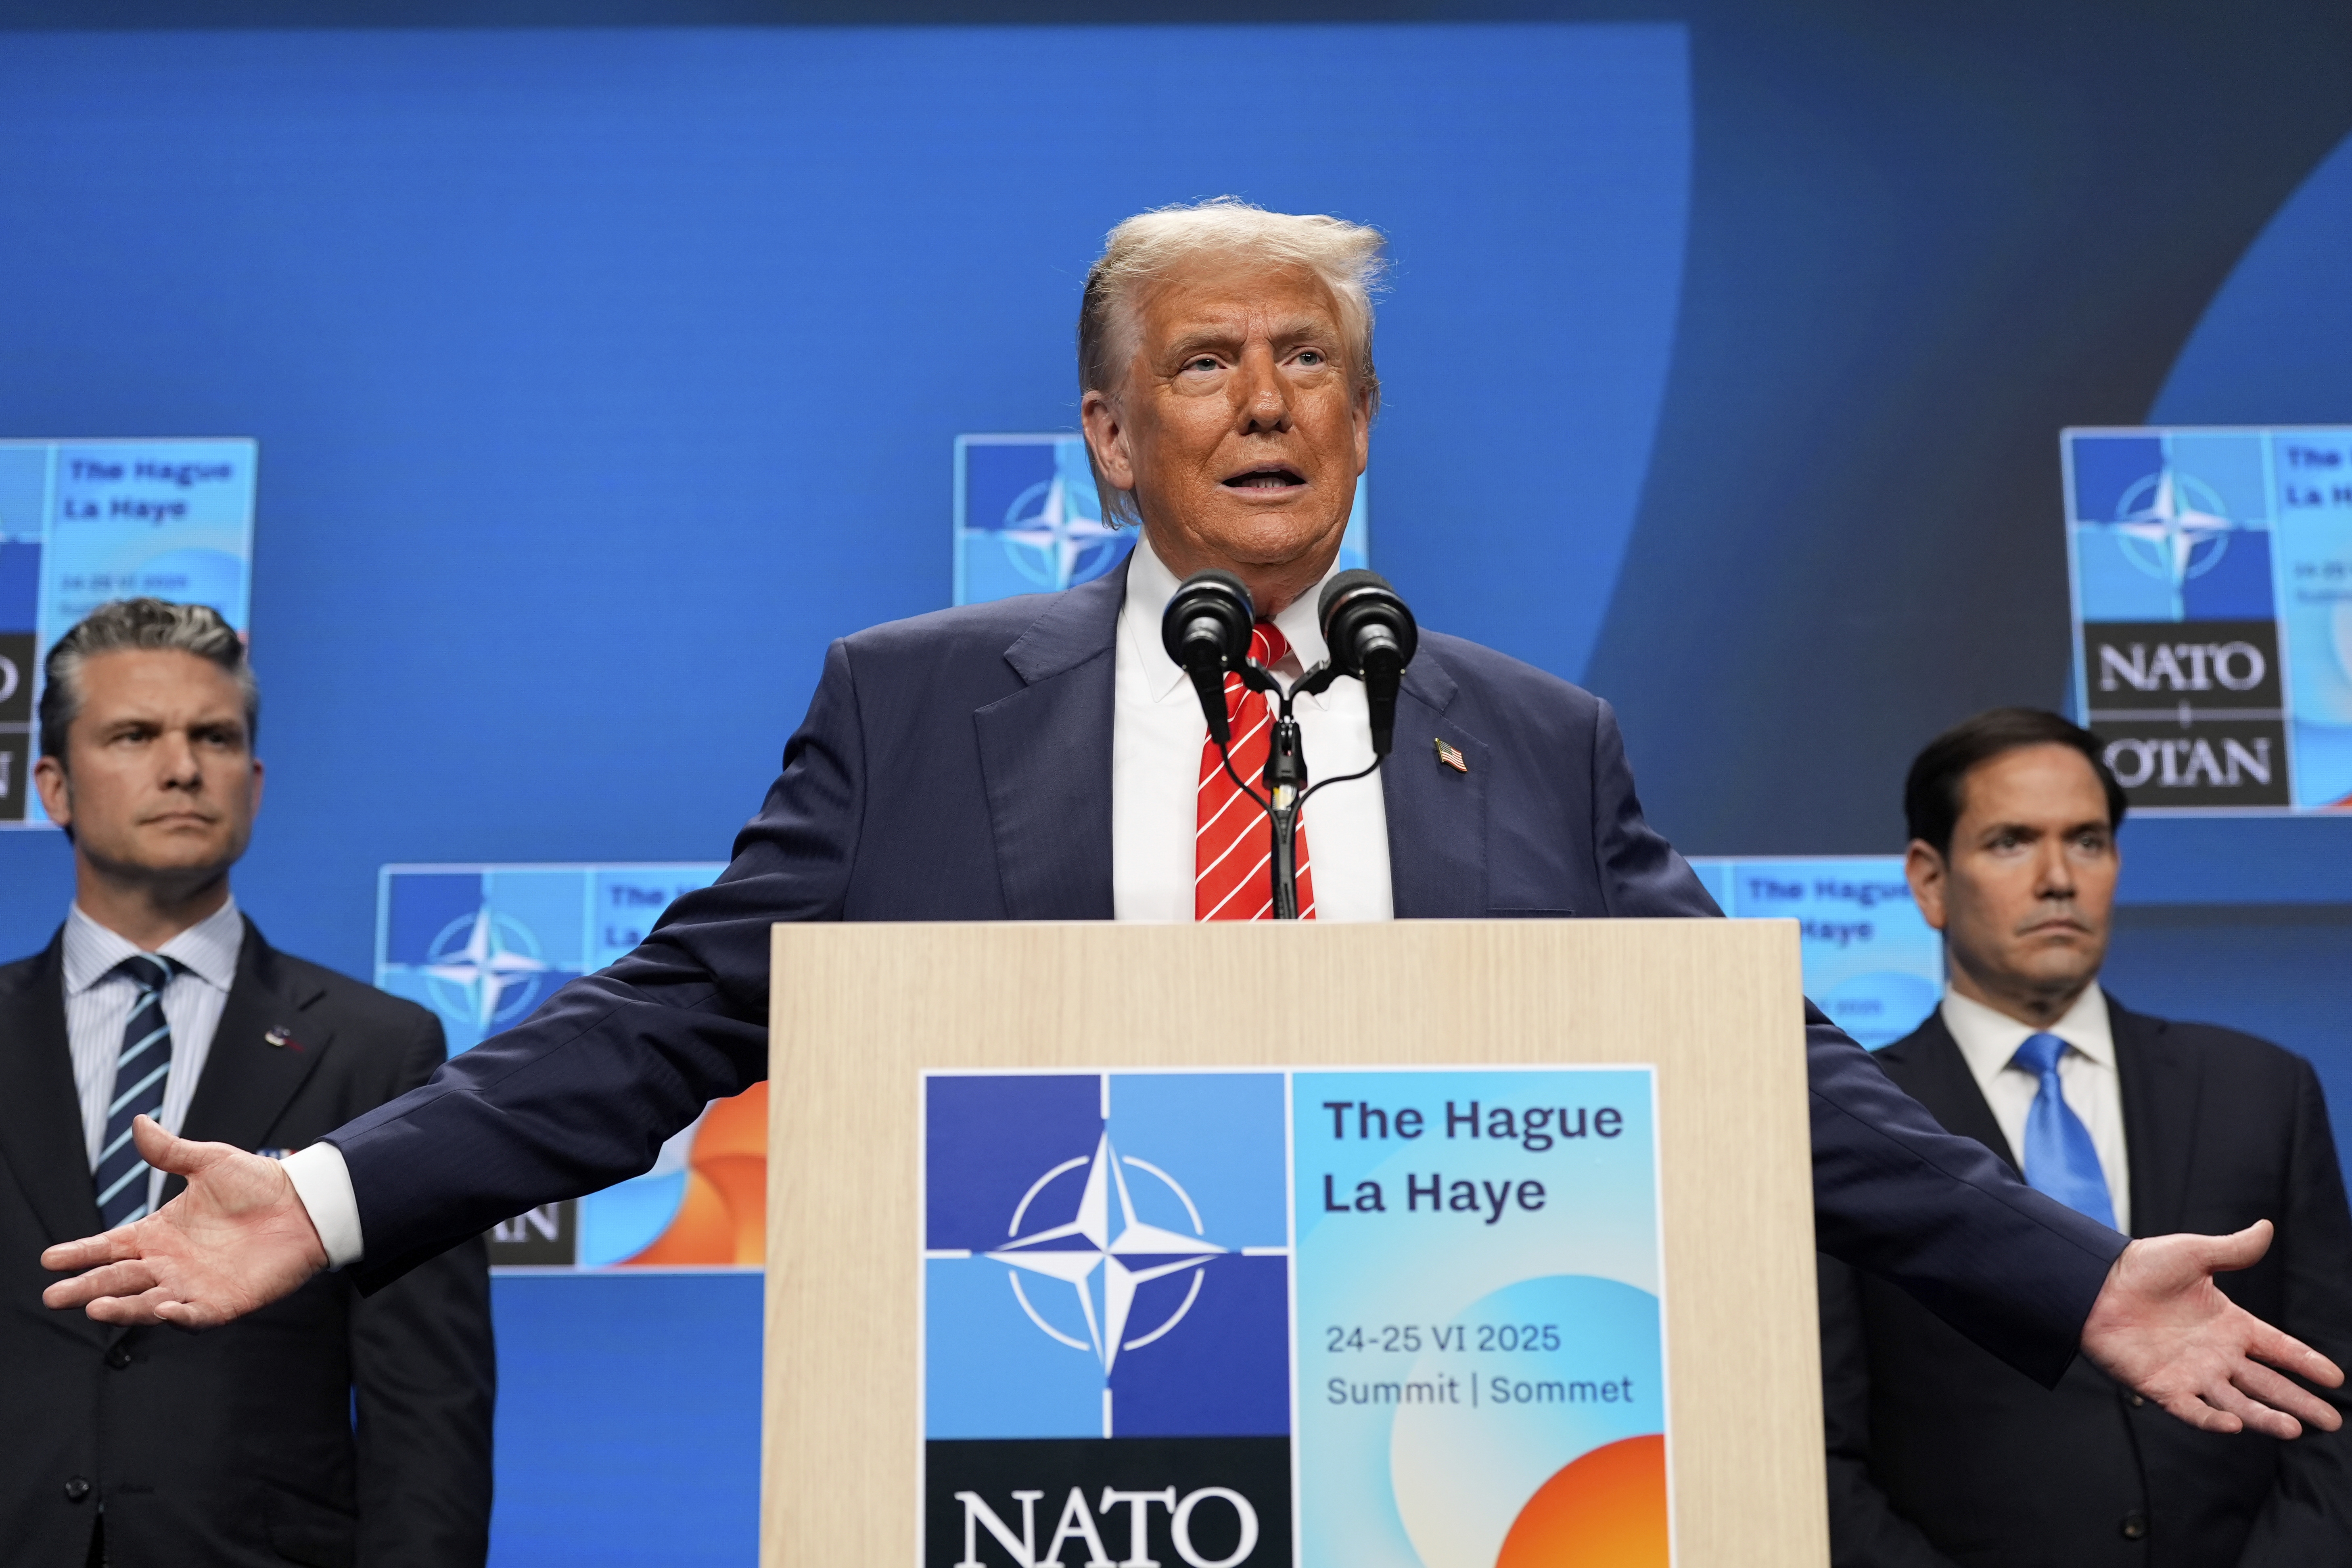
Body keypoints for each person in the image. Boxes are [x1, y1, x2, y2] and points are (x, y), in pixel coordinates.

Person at [41, 201, 2343, 1441]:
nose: (1268, 397)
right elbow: (660, 1024)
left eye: (1310, 356)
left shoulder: (1527, 736)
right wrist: (333, 1193)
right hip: (1040, 1420)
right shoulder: (923, 703)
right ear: (1106, 439)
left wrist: (2062, 1266)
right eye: (1206, 364)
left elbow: (1759, 1062)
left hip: (1438, 1425)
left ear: (1363, 419)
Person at [4, 600, 495, 1567]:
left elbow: (428, 1409)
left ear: (256, 782)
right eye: (135, 734)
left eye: (215, 737)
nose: (182, 766)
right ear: (53, 787)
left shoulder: (378, 1051)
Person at [1817, 708, 2352, 1565]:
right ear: (1928, 880)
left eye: (2088, 841)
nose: (2058, 876)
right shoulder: (1852, 1129)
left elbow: (2334, 1401)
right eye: (2010, 841)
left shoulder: (2261, 1090)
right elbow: (1821, 1456)